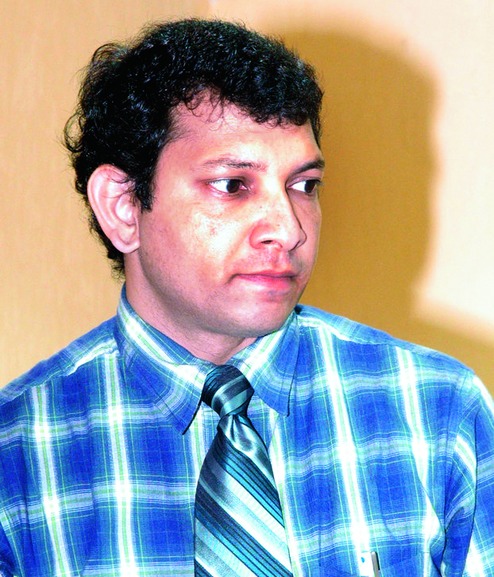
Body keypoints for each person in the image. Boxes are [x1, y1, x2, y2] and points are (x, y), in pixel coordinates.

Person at [0, 18, 493, 577]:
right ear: (123, 206)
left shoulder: (439, 410)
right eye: (233, 185)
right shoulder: (18, 453)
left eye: (304, 186)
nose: (288, 229)